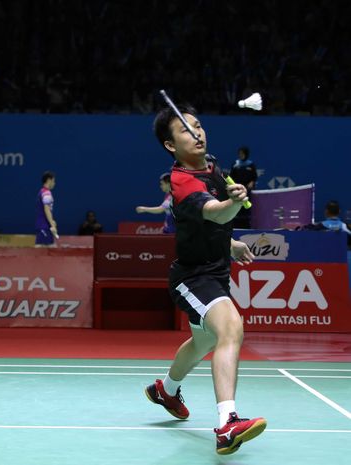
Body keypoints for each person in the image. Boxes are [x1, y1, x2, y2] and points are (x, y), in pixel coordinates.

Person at [144, 104, 266, 455]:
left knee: (201, 344)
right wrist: (231, 203)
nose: (196, 132)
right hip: (192, 277)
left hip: (214, 272)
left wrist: (231, 244)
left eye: (198, 125)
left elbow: (208, 226)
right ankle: (228, 424)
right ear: (170, 145)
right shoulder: (182, 181)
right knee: (230, 329)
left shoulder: (212, 168)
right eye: (185, 129)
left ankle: (165, 390)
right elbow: (213, 213)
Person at [229, 146, 258, 228]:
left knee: (246, 208)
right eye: (240, 153)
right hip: (237, 189)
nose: (240, 155)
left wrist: (252, 183)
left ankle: (247, 225)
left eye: (242, 153)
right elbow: (231, 176)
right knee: (236, 206)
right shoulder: (235, 164)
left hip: (247, 190)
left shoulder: (251, 164)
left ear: (246, 154)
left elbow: (254, 177)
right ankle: (236, 224)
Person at [35, 171, 58, 246]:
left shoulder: (41, 191)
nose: (54, 183)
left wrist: (52, 221)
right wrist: (52, 225)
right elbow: (46, 209)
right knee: (41, 254)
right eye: (53, 181)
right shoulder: (46, 193)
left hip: (44, 226)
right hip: (44, 227)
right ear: (49, 180)